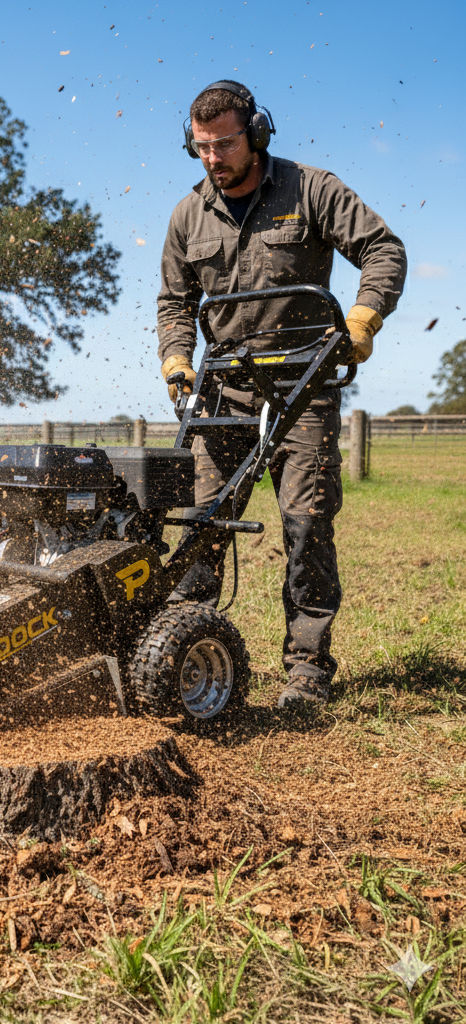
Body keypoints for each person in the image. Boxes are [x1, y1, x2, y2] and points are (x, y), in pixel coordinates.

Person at [156, 80, 407, 709]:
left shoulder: (310, 189)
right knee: (199, 521)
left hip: (304, 383)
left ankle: (306, 671)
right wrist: (177, 356)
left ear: (257, 133)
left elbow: (383, 249)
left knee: (306, 522)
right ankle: (178, 648)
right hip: (226, 386)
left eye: (224, 144)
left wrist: (363, 319)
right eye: (201, 147)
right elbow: (174, 300)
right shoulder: (189, 213)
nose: (213, 158)